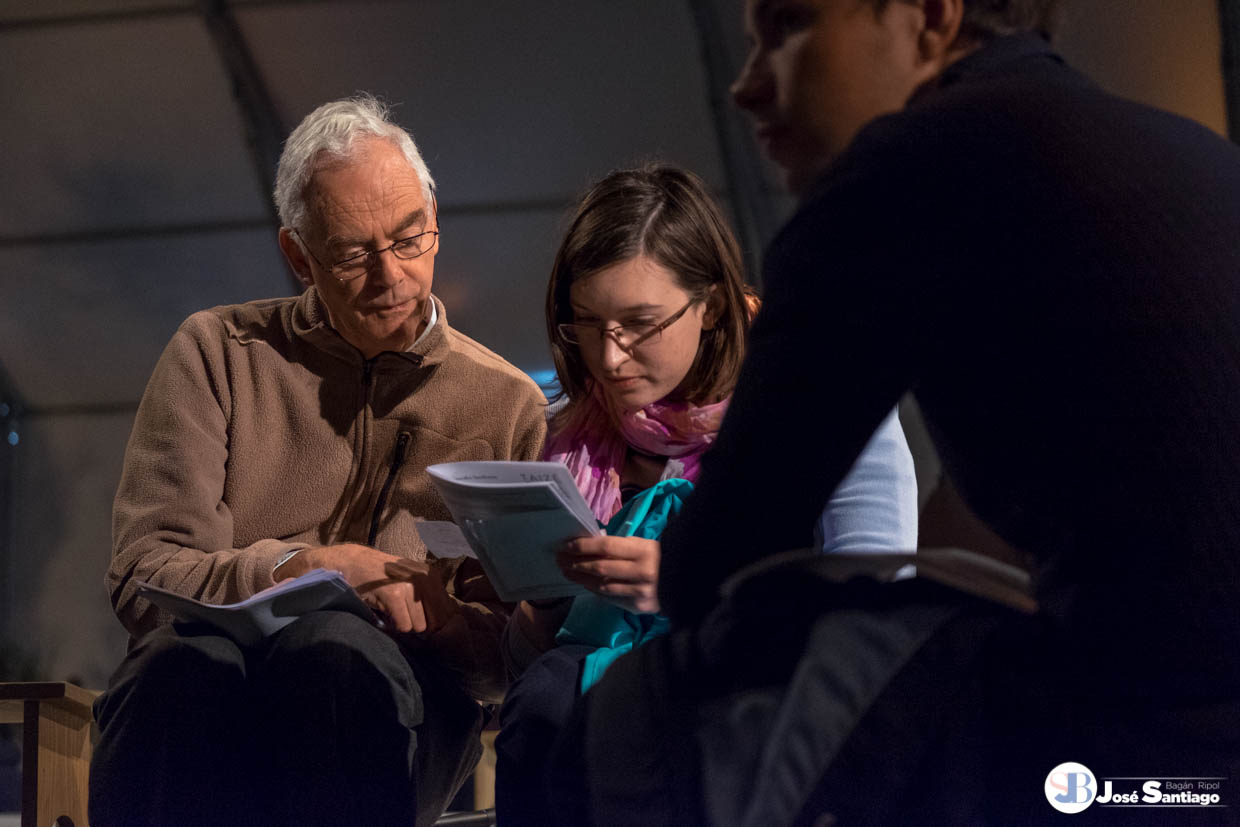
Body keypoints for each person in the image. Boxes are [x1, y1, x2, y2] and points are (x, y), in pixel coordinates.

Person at [550, 1, 1240, 823]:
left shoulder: (901, 173)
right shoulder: (1189, 152)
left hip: (1153, 724)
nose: (746, 86)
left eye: (790, 27)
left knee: (650, 697)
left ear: (931, 17)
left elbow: (714, 565)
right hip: (1192, 726)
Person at [89, 94, 547, 827]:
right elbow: (145, 574)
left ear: (436, 223)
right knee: (177, 664)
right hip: (214, 685)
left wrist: (442, 621)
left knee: (330, 652)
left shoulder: (506, 402)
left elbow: (509, 657)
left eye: (408, 239)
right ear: (298, 255)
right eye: (352, 253)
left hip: (398, 705)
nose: (390, 275)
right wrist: (302, 569)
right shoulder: (217, 352)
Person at [493, 164, 918, 823]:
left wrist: (693, 585)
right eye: (588, 323)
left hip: (755, 716)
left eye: (639, 323)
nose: (610, 358)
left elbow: (870, 608)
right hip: (597, 726)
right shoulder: (575, 436)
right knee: (550, 693)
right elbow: (526, 667)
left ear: (712, 305)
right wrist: (544, 600)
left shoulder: (815, 402)